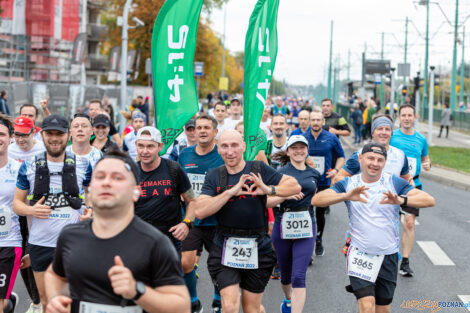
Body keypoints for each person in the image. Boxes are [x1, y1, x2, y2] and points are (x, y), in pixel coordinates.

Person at [44, 149, 190, 313]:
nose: (106, 182)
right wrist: (55, 298)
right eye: (100, 177)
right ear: (90, 190)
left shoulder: (155, 243)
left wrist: (137, 290)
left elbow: (182, 306)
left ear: (136, 192)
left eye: (117, 177)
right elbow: (54, 274)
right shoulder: (71, 235)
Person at [311, 142, 435, 313]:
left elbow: (429, 200)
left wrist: (401, 200)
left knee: (382, 309)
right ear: (361, 158)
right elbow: (317, 200)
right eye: (370, 158)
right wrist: (346, 196)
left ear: (385, 163)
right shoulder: (349, 183)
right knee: (367, 305)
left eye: (380, 160)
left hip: (388, 255)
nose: (375, 163)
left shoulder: (394, 183)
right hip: (360, 253)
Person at [194, 130, 300, 313]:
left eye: (234, 145)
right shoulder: (214, 175)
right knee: (229, 306)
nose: (230, 151)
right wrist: (230, 192)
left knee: (252, 309)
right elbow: (200, 211)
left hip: (258, 246)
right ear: (218, 149)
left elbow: (294, 185)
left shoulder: (258, 169)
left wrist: (267, 189)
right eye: (225, 146)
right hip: (225, 246)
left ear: (243, 147)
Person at [12, 114, 92, 311]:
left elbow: (92, 195)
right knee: (47, 303)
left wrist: (90, 211)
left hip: (72, 243)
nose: (54, 138)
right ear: (42, 135)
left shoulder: (83, 164)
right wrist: (31, 209)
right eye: (50, 134)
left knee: (70, 302)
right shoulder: (29, 165)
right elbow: (16, 204)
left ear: (69, 135)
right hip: (40, 244)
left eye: (60, 134)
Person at [268, 135, 320, 313]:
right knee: (285, 275)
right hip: (283, 225)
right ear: (288, 151)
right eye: (294, 148)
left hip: (306, 225)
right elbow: (266, 202)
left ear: (307, 150)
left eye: (302, 147)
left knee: (299, 276)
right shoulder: (279, 174)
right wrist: (285, 195)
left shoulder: (314, 173)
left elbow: (318, 196)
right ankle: (288, 299)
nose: (299, 151)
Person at [178, 115, 224, 313]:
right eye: (199, 128)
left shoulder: (222, 155)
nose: (202, 131)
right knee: (185, 263)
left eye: (207, 127)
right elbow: (179, 183)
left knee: (217, 266)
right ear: (193, 131)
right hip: (191, 220)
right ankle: (194, 301)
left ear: (215, 132)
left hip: (218, 220)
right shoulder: (185, 154)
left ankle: (217, 298)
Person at [134, 126, 196, 253]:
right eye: (141, 146)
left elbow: (192, 201)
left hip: (169, 239)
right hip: (139, 238)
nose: (144, 151)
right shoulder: (129, 172)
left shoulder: (173, 169)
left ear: (160, 147)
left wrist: (186, 223)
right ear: (136, 145)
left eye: (150, 146)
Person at [390, 104, 431, 277]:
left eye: (410, 115)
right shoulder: (392, 136)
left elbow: (425, 158)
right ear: (399, 117)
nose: (406, 118)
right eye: (403, 115)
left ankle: (405, 261)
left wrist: (428, 164)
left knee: (409, 223)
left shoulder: (421, 139)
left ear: (415, 117)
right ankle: (387, 256)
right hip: (392, 185)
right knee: (387, 224)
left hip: (412, 185)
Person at [303, 110, 345, 256]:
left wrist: (336, 170)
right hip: (305, 182)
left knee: (320, 213)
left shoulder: (331, 138)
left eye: (318, 120)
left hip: (323, 181)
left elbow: (341, 156)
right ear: (309, 121)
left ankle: (319, 239)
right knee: (306, 212)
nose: (315, 122)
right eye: (313, 120)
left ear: (323, 122)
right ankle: (307, 241)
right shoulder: (301, 138)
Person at [334, 115, 411, 184]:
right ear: (373, 133)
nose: (384, 132)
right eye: (380, 129)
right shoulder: (360, 154)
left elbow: (408, 183)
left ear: (391, 133)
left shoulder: (400, 155)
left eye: (387, 129)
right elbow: (337, 179)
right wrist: (355, 190)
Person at [0, 114, 21, 313]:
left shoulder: (18, 169)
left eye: (2, 134)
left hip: (8, 243)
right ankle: (9, 303)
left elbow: (27, 208)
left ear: (10, 137)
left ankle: (6, 302)